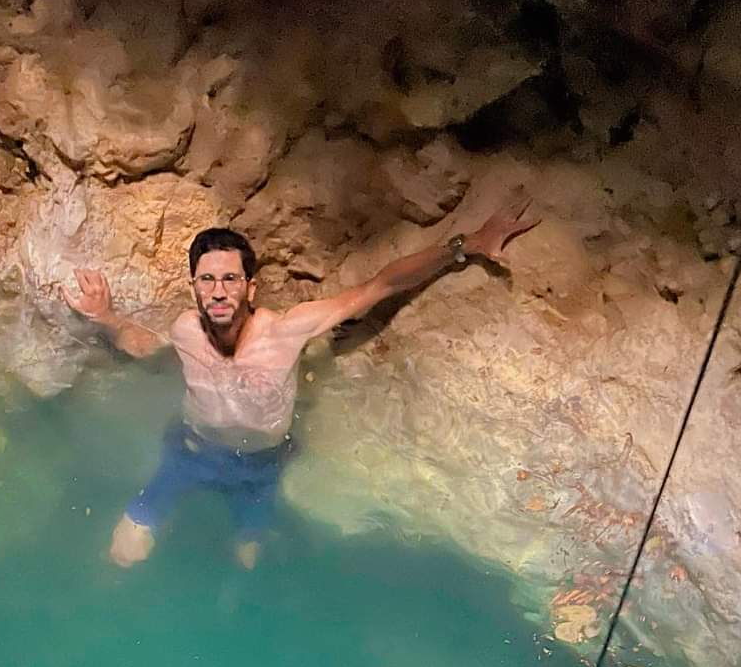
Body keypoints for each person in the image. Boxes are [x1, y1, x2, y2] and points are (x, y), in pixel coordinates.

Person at [63, 199, 537, 569]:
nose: (219, 290)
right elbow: (141, 344)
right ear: (194, 286)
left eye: (230, 278)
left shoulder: (287, 331)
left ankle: (233, 609)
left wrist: (464, 246)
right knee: (124, 552)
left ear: (251, 287)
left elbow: (378, 287)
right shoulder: (187, 330)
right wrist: (105, 315)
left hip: (259, 468)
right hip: (190, 453)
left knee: (247, 560)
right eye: (207, 280)